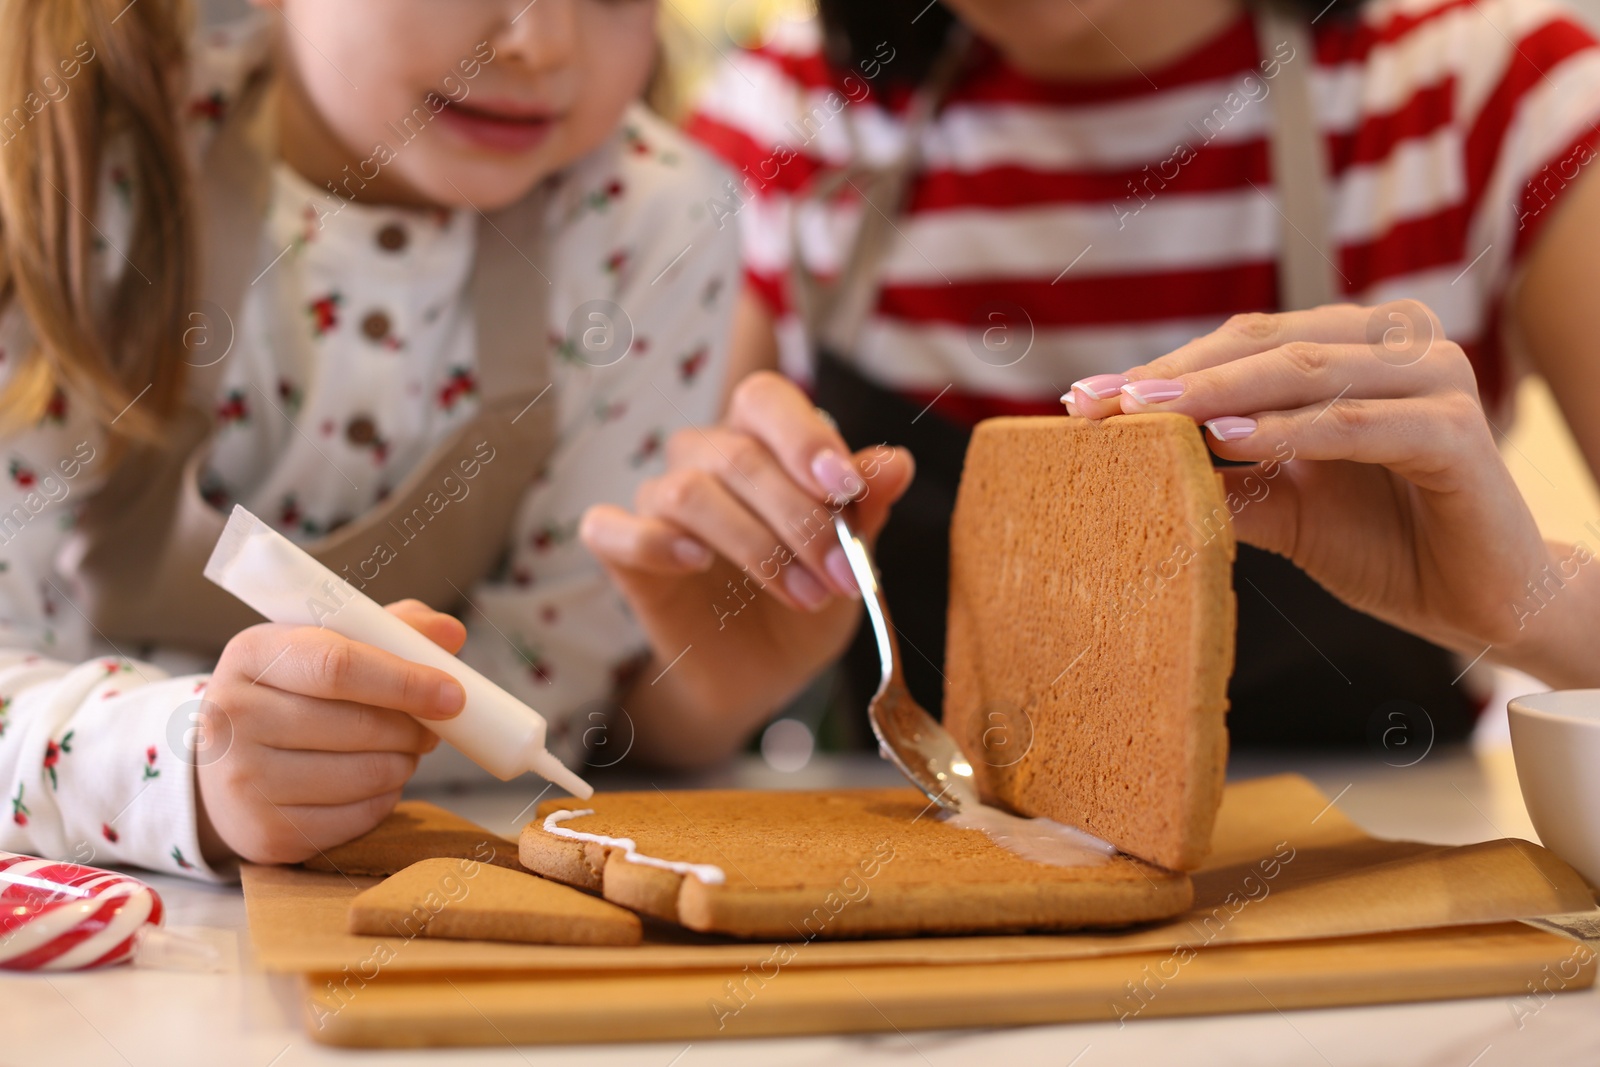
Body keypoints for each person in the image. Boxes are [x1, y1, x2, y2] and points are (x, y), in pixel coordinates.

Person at [0, 0, 906, 879]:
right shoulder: (82, 166)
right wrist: (184, 769)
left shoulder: (652, 230)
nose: (541, 42)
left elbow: (552, 688)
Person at [678, 0, 1600, 748]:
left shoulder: (1492, 93)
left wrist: (1530, 605)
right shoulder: (786, 117)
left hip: (1384, 920)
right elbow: (658, 688)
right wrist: (709, 652)